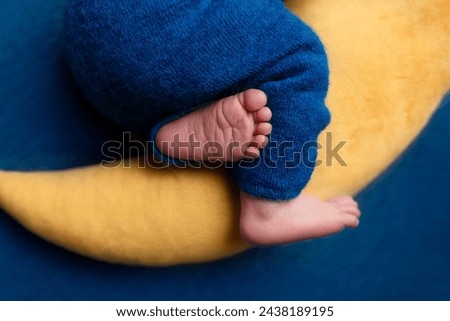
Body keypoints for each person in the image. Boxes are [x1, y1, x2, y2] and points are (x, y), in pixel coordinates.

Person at [65, 0, 360, 245]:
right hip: (154, 25)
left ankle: (181, 125)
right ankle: (267, 206)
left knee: (234, 57)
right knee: (296, 58)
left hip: (93, 44)